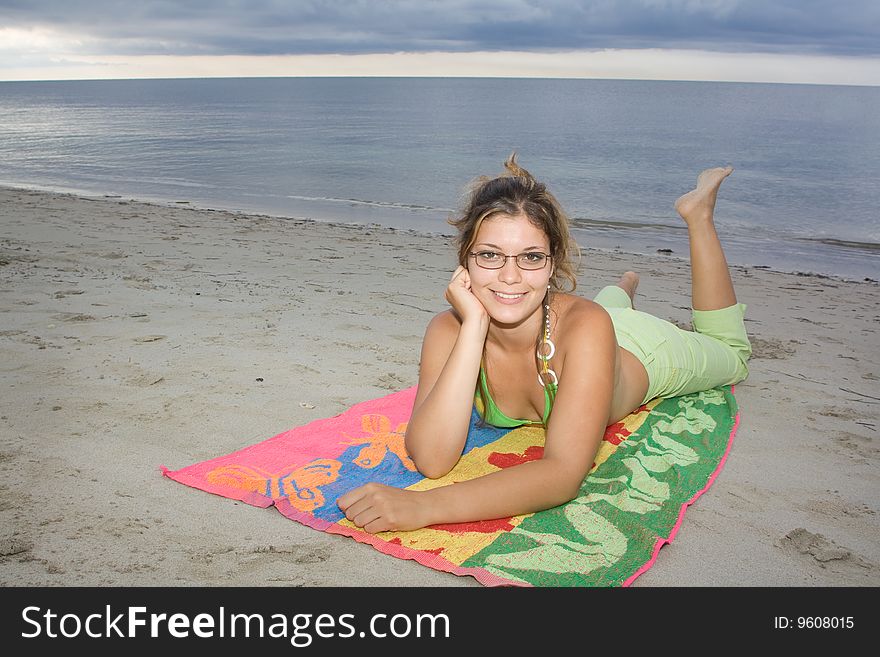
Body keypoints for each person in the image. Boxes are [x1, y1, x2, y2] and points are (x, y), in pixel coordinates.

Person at [337, 154, 751, 533]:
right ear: (464, 259)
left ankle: (697, 216)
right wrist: (475, 324)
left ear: (554, 263)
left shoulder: (588, 324)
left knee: (732, 352)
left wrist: (424, 507)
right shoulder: (448, 331)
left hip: (643, 350)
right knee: (605, 309)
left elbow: (562, 474)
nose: (511, 276)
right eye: (490, 255)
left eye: (531, 257)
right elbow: (431, 458)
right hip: (583, 326)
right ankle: (623, 287)